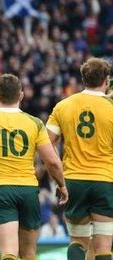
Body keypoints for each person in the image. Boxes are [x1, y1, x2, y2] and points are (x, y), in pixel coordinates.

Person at [0, 73, 68, 260]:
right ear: (21, 95)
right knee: (29, 255)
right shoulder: (34, 123)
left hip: (1, 191)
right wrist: (61, 184)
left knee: (9, 254)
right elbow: (52, 161)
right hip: (28, 191)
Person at [45, 57, 113, 260]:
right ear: (106, 80)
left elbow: (47, 144)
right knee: (103, 247)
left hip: (74, 180)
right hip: (105, 180)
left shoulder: (64, 106)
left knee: (78, 241)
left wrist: (58, 177)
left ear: (83, 79)